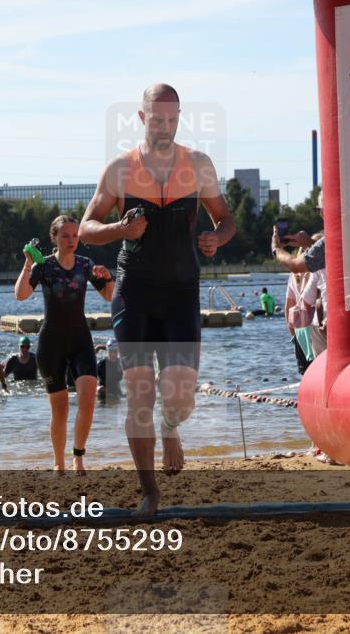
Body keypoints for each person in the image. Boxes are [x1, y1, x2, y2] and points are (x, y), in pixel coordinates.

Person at [79, 83, 236, 514]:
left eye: (172, 119)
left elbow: (226, 219)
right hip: (135, 290)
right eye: (157, 119)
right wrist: (121, 230)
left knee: (180, 397)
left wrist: (216, 238)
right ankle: (150, 492)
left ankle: (170, 427)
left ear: (179, 118)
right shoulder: (120, 170)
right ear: (142, 118)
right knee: (139, 394)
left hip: (182, 291)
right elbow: (87, 227)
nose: (165, 126)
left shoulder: (198, 165)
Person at [15, 215, 114, 474]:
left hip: (80, 341)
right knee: (60, 410)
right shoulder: (44, 265)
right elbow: (21, 295)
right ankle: (58, 462)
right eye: (66, 236)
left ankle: (78, 455)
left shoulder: (85, 264)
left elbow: (109, 296)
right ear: (55, 238)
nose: (72, 240)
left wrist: (108, 277)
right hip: (51, 345)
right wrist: (28, 264)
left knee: (88, 400)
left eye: (75, 235)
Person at [284, 270, 311, 375]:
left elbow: (288, 305)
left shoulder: (293, 275)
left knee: (305, 373)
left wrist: (293, 335)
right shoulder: (315, 271)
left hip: (299, 330)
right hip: (314, 328)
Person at [97, 338, 124, 402]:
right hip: (103, 392)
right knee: (101, 390)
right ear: (107, 352)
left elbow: (118, 382)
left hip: (115, 392)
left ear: (118, 352)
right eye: (110, 352)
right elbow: (92, 379)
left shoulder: (119, 363)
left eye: (115, 351)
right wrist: (97, 388)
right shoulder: (101, 364)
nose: (113, 354)